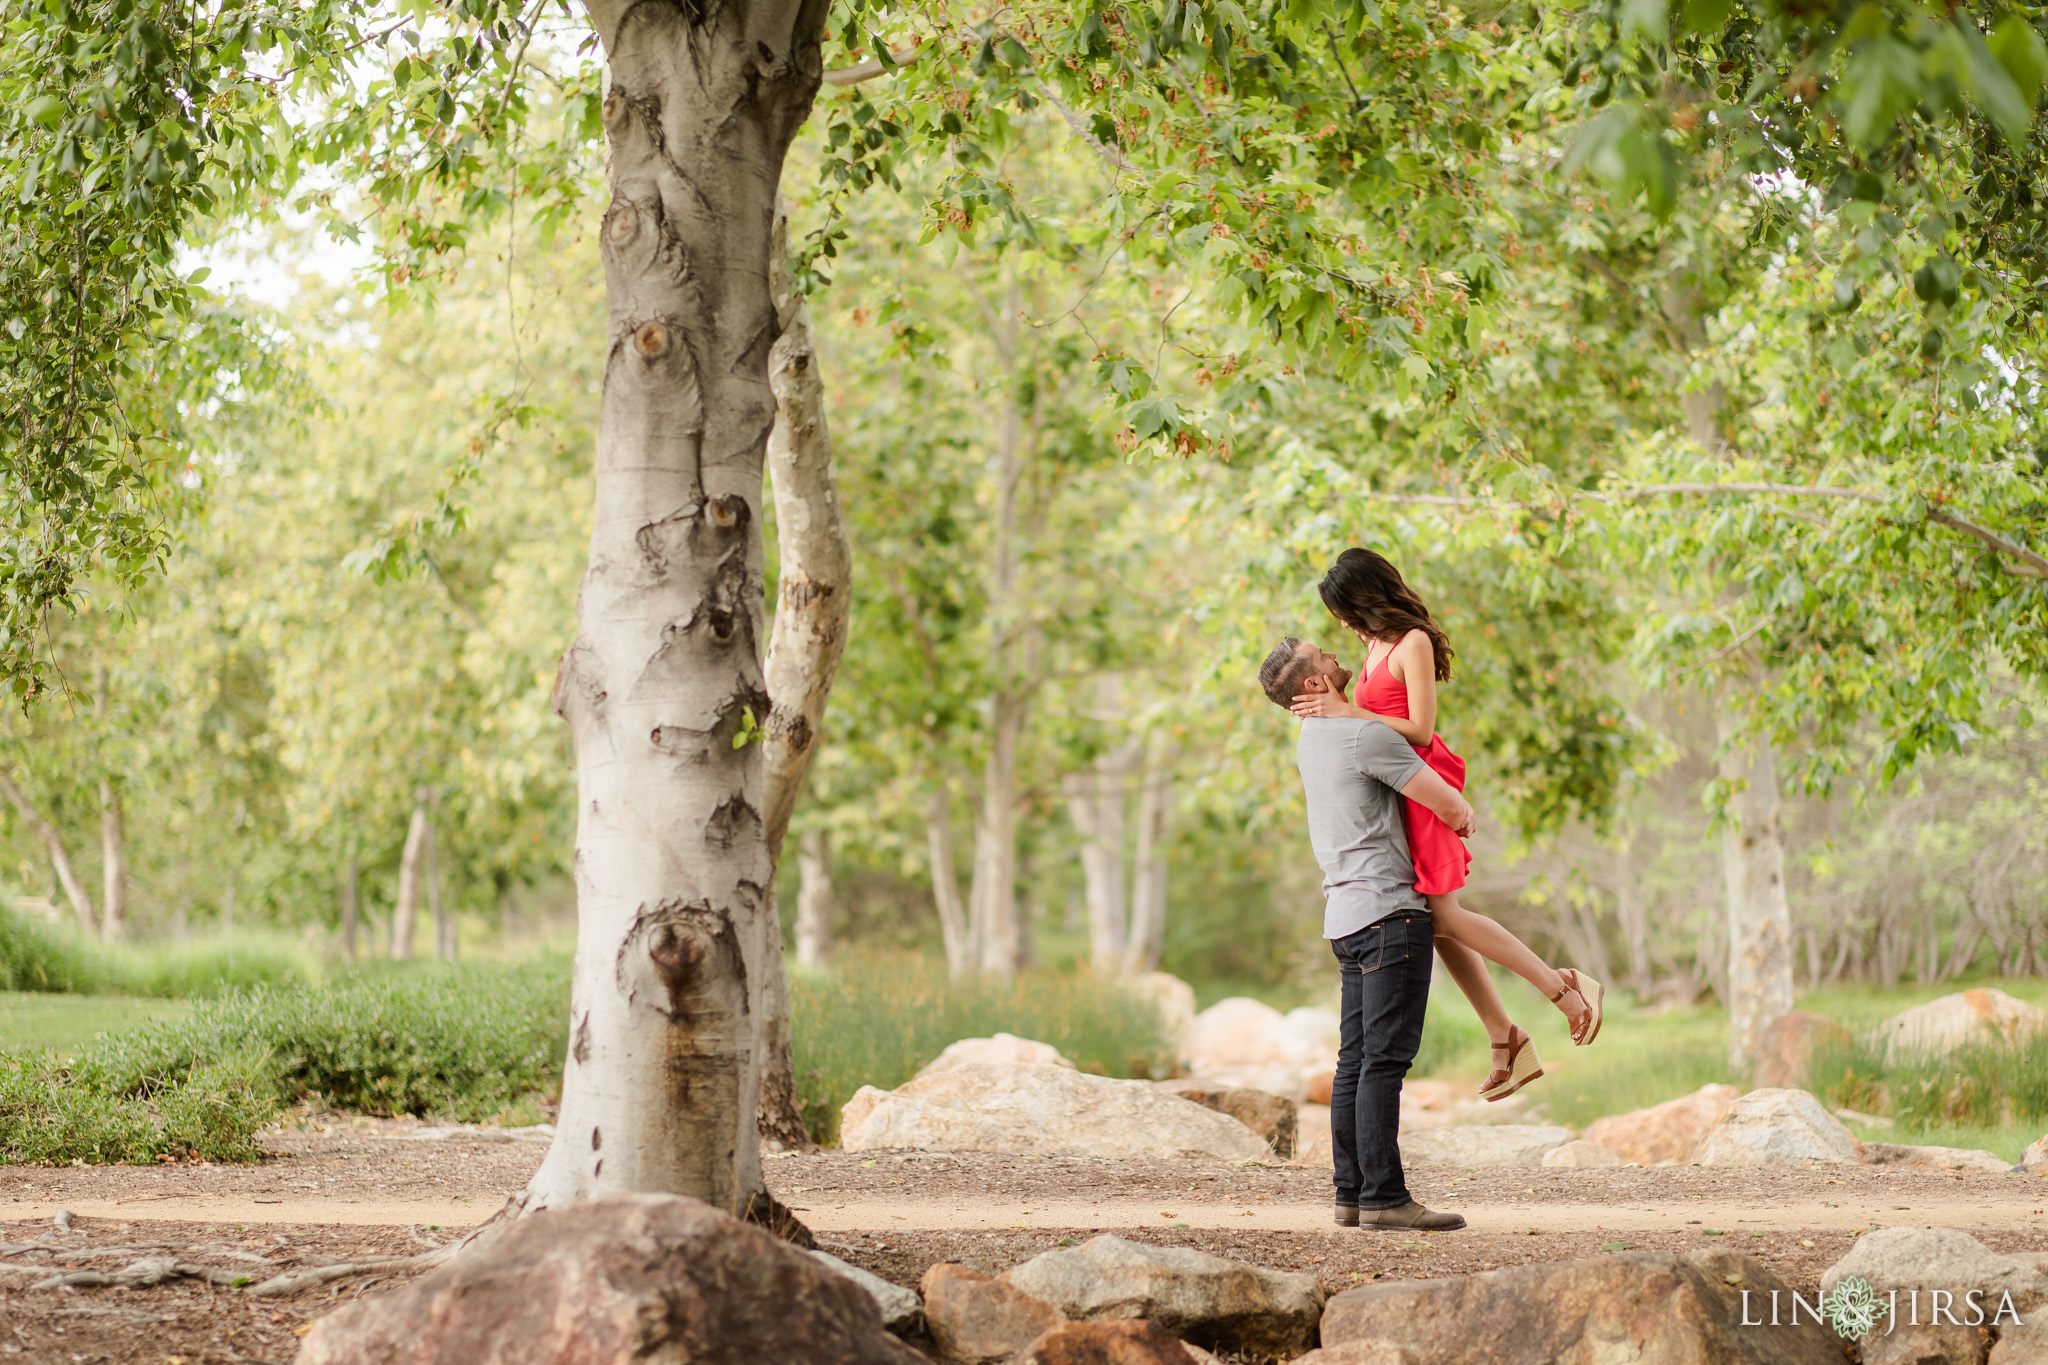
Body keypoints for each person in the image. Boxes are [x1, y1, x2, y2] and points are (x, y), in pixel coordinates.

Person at [1290, 548, 1604, 1103]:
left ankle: (1563, 990)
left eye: (1343, 609)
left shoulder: (1412, 642)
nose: (1340, 622)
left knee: (1445, 915)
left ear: (1366, 596)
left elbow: (1419, 729)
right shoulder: (1371, 645)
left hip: (1421, 788)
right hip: (1395, 796)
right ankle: (1505, 1035)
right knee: (1434, 922)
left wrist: (1347, 713)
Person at [1258, 635, 1469, 1231]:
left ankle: (1349, 1195)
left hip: (1346, 919)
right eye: (1323, 655)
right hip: (1390, 915)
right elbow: (1448, 805)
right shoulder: (1365, 736)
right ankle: (1385, 1199)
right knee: (1384, 1063)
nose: (1335, 655)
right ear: (1313, 685)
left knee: (1355, 1061)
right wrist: (1464, 814)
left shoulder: (1311, 739)